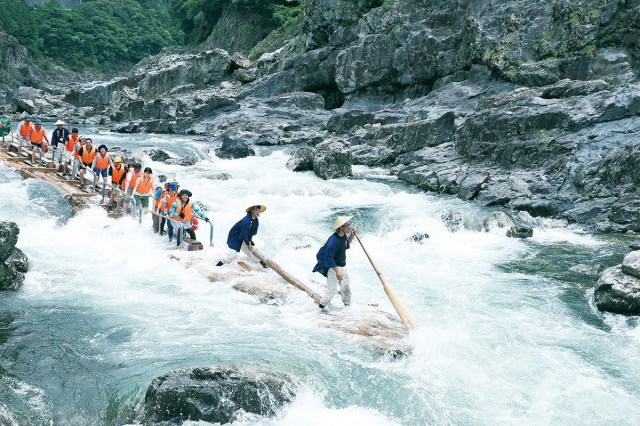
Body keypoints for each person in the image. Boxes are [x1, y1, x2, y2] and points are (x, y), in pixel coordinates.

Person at [312, 215, 356, 309]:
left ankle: (347, 306)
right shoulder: (333, 241)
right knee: (332, 290)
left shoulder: (343, 236)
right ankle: (321, 307)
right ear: (341, 227)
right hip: (333, 268)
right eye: (347, 225)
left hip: (343, 266)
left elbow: (346, 245)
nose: (349, 227)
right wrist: (337, 271)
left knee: (346, 287)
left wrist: (352, 235)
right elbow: (328, 257)